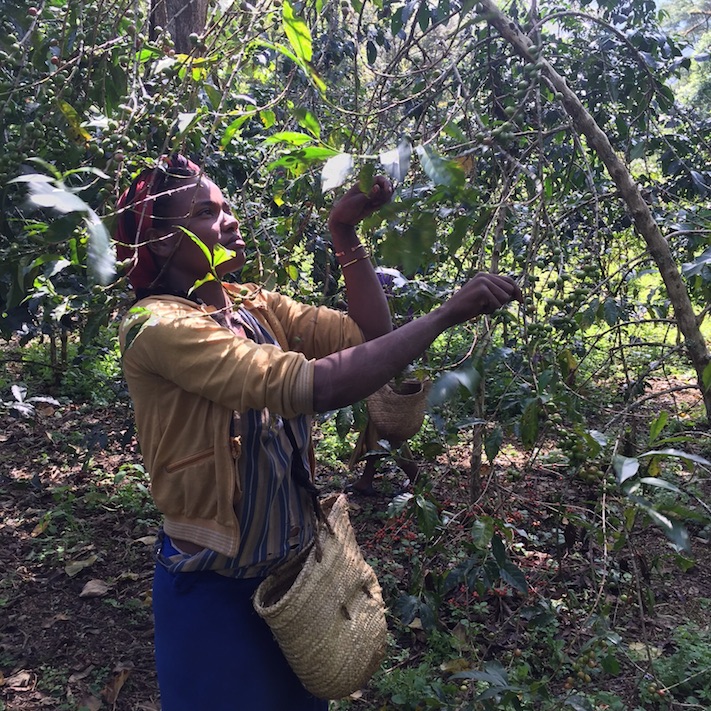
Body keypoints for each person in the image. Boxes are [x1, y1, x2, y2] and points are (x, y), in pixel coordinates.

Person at [114, 153, 522, 711]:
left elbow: (370, 335)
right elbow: (311, 386)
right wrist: (443, 316)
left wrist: (344, 231)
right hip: (215, 588)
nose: (230, 219)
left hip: (295, 577)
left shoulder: (251, 306)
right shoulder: (157, 325)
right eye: (208, 212)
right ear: (160, 240)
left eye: (226, 206)